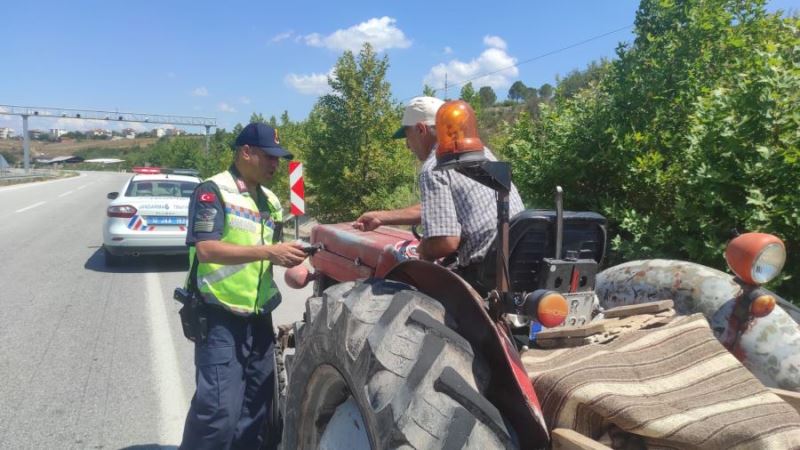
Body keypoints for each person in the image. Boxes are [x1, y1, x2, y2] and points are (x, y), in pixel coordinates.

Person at [179, 122, 306, 450]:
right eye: (269, 157)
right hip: (220, 317)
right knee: (218, 413)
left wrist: (294, 261)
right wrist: (269, 252)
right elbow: (206, 250)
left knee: (256, 410)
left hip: (259, 319)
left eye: (278, 159)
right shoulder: (213, 192)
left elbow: (274, 254)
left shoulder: (271, 201)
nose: (275, 164)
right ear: (245, 152)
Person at [353, 96, 524, 280]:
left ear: (420, 129)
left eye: (407, 136)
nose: (407, 145)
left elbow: (445, 242)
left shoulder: (435, 165)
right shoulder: (482, 154)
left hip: (482, 274)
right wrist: (381, 217)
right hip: (517, 262)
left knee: (397, 268)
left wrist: (423, 250)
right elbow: (443, 209)